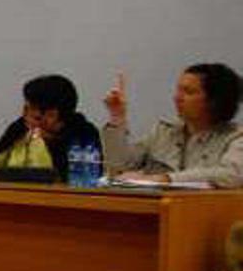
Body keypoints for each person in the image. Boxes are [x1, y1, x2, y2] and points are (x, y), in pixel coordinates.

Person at [103, 64, 243, 188]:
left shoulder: (236, 137)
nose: (177, 97)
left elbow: (232, 174)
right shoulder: (163, 131)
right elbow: (119, 167)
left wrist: (164, 179)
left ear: (214, 101)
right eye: (178, 90)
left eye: (188, 92)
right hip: (156, 210)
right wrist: (117, 117)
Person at [0, 75, 102, 181]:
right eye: (26, 108)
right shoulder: (20, 127)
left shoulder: (83, 132)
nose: (26, 115)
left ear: (53, 114)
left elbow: (79, 177)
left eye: (32, 109)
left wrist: (46, 141)